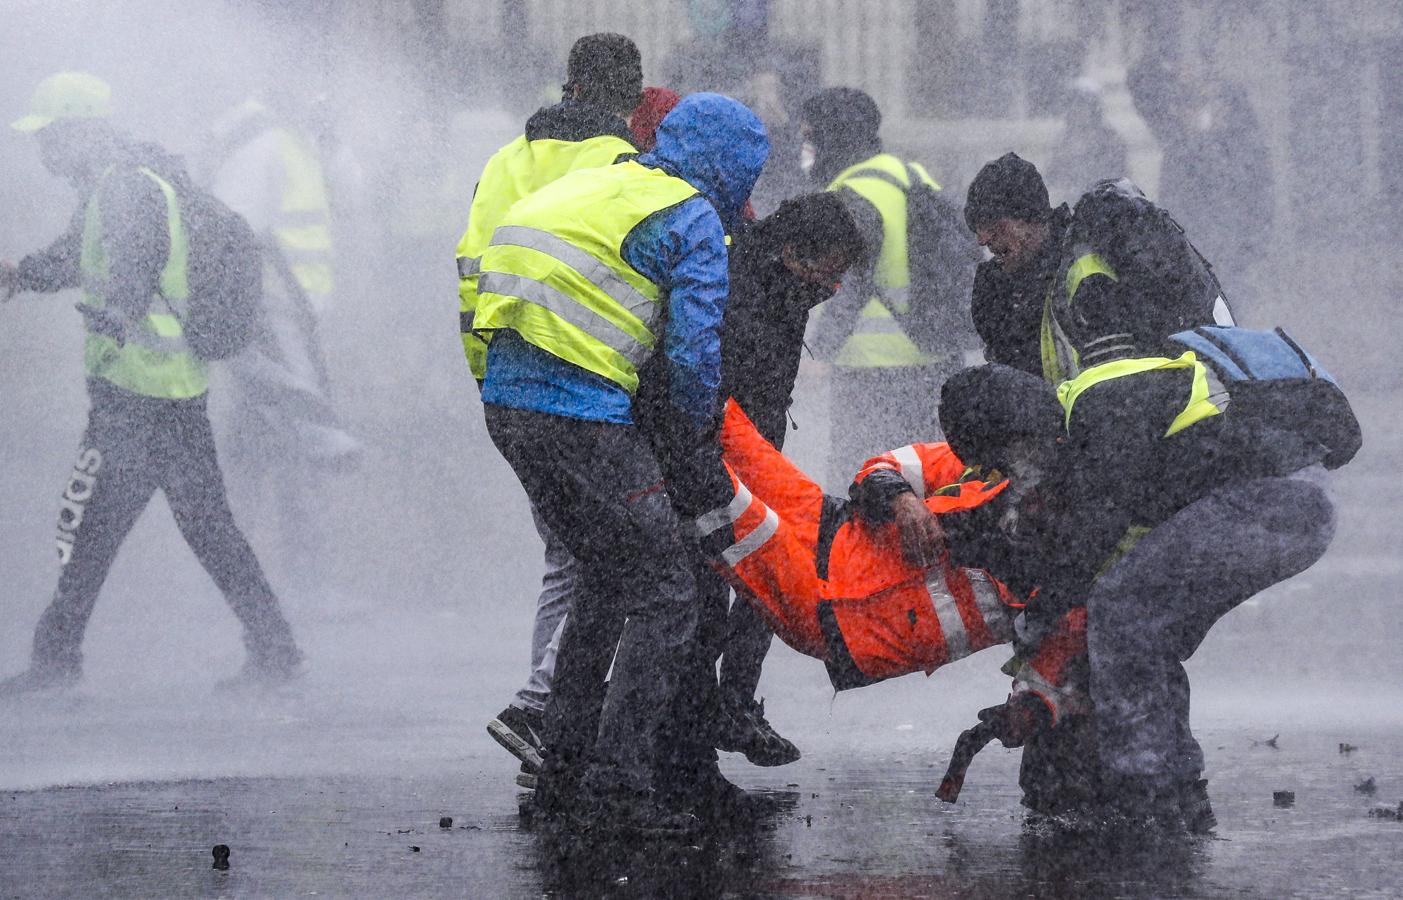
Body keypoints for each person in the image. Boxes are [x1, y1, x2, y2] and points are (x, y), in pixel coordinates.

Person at [472, 92, 768, 835]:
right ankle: (618, 787)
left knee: (606, 576)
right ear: (730, 168)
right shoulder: (691, 216)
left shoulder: (590, 182)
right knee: (670, 591)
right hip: (582, 417)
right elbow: (695, 353)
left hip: (506, 405)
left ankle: (561, 771)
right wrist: (695, 438)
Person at [937, 342, 1350, 829]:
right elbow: (1102, 542)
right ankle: (1178, 790)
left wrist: (1043, 620)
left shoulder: (1099, 406)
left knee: (1121, 608)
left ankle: (1148, 789)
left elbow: (1095, 540)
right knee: (1144, 630)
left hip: (1277, 500)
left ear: (1015, 431)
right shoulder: (1082, 420)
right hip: (1289, 504)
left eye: (1005, 460)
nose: (1013, 475)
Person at [0, 72, 302, 695]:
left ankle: (56, 663)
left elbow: (139, 256)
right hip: (170, 393)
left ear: (81, 131)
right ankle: (275, 648)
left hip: (135, 397)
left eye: (50, 136)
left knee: (83, 524)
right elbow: (78, 257)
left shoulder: (129, 188)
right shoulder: (116, 182)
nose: (42, 150)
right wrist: (21, 274)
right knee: (192, 529)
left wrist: (123, 310)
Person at [456, 34, 643, 776]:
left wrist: (486, 378)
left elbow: (471, 274)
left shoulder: (505, 161)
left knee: (564, 556)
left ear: (566, 86)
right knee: (601, 560)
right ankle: (544, 709)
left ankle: (549, 716)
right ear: (631, 96)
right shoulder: (620, 166)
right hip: (589, 391)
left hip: (508, 386)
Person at [203, 98, 360, 605]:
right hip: (274, 320)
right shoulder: (266, 146)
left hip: (290, 318)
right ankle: (300, 582)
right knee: (304, 441)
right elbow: (234, 232)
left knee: (258, 448)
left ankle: (243, 587)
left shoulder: (299, 145)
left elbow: (352, 195)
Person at [799, 87, 977, 484]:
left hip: (872, 368)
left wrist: (821, 350)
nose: (805, 148)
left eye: (810, 137)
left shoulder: (852, 194)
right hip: (932, 356)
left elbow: (851, 281)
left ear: (832, 137)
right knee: (928, 476)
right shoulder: (910, 175)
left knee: (860, 477)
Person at [964, 153, 1073, 378]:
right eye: (978, 229)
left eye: (994, 225)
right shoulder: (994, 289)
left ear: (1029, 216)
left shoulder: (1079, 272)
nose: (982, 240)